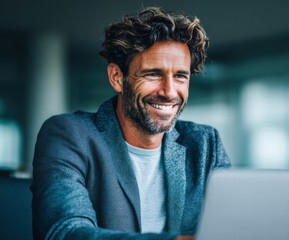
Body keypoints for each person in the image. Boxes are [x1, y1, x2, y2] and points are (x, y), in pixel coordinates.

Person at [31, 7, 230, 240]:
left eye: (180, 76)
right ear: (117, 77)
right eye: (153, 74)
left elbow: (233, 226)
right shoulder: (69, 135)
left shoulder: (206, 144)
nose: (169, 91)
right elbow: (65, 233)